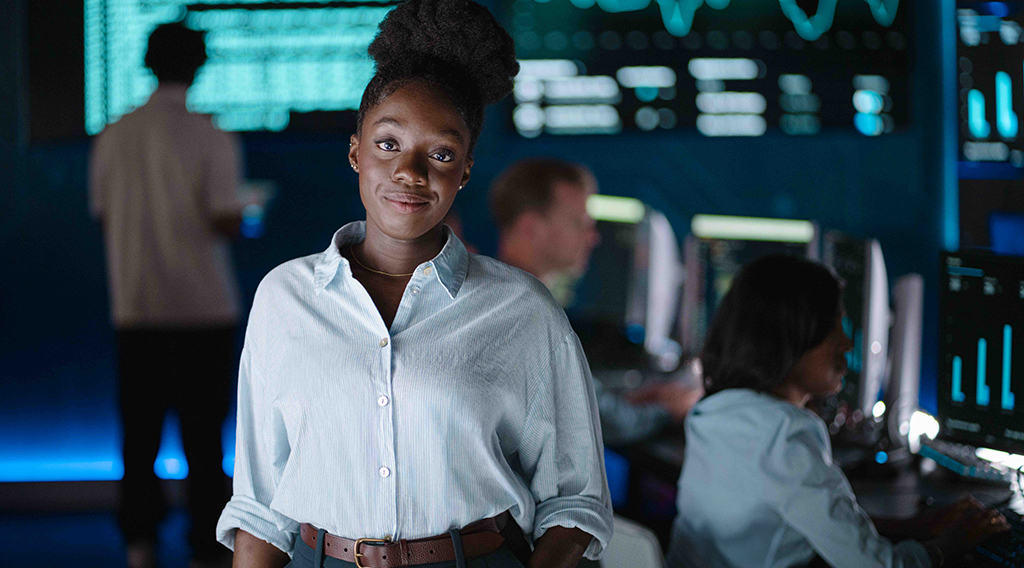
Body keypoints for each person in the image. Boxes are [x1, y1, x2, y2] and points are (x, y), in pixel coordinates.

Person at [215, 1, 613, 567]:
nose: (411, 171)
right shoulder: (284, 298)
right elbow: (259, 508)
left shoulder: (521, 308)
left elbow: (576, 501)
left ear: (466, 169)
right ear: (355, 151)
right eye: (388, 143)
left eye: (441, 153)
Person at [665, 254, 1010, 568]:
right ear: (791, 336)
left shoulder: (712, 413)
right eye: (834, 327)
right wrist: (948, 544)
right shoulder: (786, 436)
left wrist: (915, 526)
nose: (847, 343)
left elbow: (805, 520)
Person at [88, 22, 241, 568]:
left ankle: (139, 545)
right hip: (203, 309)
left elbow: (103, 214)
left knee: (138, 438)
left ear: (147, 63)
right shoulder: (211, 134)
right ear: (199, 66)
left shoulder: (113, 134)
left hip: (136, 308)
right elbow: (225, 218)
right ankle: (208, 546)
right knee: (205, 443)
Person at [490, 158, 702, 446]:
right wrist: (671, 408)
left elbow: (574, 402)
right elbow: (600, 422)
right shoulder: (525, 314)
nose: (592, 237)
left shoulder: (496, 299)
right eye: (579, 223)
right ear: (530, 228)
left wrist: (631, 399)